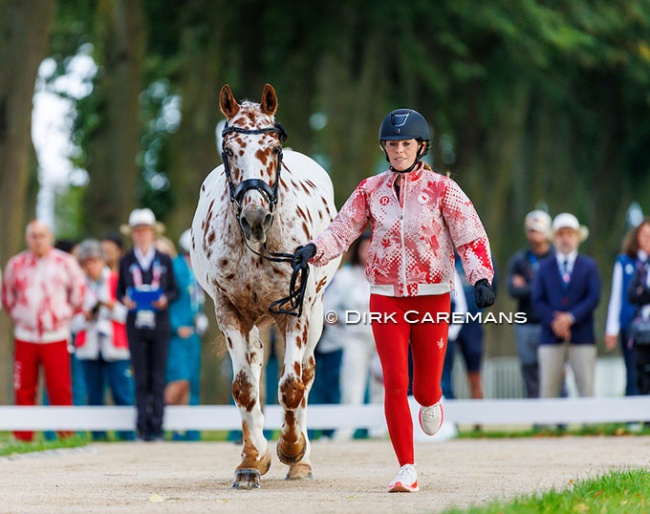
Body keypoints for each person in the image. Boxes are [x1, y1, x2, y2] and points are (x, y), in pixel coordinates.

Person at [291, 108, 495, 492]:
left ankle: (433, 398)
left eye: (405, 143)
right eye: (392, 144)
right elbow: (342, 228)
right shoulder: (370, 189)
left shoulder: (442, 189)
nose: (399, 150)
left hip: (434, 297)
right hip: (386, 298)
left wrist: (480, 276)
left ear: (421, 146)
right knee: (395, 380)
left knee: (424, 388)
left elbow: (471, 234)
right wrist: (314, 248)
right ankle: (406, 468)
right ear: (384, 148)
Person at [1, 220, 86, 442]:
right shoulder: (16, 264)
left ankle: (66, 435)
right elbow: (7, 297)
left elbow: (79, 295)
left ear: (49, 236)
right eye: (34, 236)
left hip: (55, 335)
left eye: (42, 235)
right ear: (27, 238)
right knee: (23, 387)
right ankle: (23, 437)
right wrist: (22, 316)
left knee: (60, 388)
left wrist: (61, 316)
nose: (38, 240)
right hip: (25, 335)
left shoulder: (65, 263)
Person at [117, 208, 178, 442]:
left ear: (152, 233)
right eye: (137, 231)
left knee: (158, 375)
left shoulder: (163, 260)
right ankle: (142, 424)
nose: (141, 235)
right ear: (132, 234)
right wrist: (125, 300)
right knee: (140, 375)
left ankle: (157, 425)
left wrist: (165, 300)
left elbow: (173, 290)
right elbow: (119, 290)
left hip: (159, 323)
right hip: (136, 323)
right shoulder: (126, 260)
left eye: (145, 231)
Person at [532, 213, 600, 403]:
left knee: (586, 388)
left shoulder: (589, 266)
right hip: (550, 336)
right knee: (548, 389)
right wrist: (555, 321)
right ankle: (547, 428)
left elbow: (593, 298)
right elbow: (537, 299)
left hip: (582, 335)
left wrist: (570, 318)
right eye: (561, 234)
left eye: (570, 234)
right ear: (555, 238)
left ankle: (590, 427)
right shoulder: (544, 267)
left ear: (577, 237)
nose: (565, 238)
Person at [324, 232, 385, 441]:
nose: (368, 253)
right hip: (355, 339)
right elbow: (327, 312)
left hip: (383, 340)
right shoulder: (345, 277)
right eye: (365, 248)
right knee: (352, 387)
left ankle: (380, 431)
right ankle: (346, 431)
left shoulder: (388, 277)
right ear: (357, 250)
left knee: (383, 388)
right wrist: (342, 324)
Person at [73, 239, 135, 441]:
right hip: (90, 345)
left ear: (103, 261)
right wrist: (86, 318)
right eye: (86, 263)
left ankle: (127, 433)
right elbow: (72, 322)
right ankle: (98, 434)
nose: (90, 266)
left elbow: (128, 315)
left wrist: (112, 308)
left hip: (115, 346)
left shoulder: (116, 281)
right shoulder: (79, 287)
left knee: (121, 390)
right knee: (93, 392)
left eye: (94, 261)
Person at [162, 230, 208, 441]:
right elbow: (168, 299)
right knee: (177, 381)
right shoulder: (175, 267)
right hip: (177, 335)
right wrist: (174, 325)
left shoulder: (199, 269)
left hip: (193, 334)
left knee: (190, 381)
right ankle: (162, 422)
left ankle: (187, 429)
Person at [507, 210, 554, 399]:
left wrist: (528, 285)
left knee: (554, 371)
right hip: (525, 323)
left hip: (550, 323)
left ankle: (561, 420)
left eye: (538, 230)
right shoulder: (519, 260)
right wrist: (541, 286)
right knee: (530, 371)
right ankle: (538, 420)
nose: (534, 234)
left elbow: (556, 289)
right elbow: (512, 290)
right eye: (531, 230)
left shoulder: (555, 258)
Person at [604, 220, 650, 396]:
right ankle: (632, 420)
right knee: (633, 372)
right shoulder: (625, 262)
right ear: (636, 237)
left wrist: (641, 293)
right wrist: (611, 329)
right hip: (632, 328)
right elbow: (618, 296)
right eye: (644, 235)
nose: (648, 240)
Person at [626, 218, 650, 397]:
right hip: (643, 330)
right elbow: (632, 294)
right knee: (641, 373)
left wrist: (644, 292)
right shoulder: (641, 267)